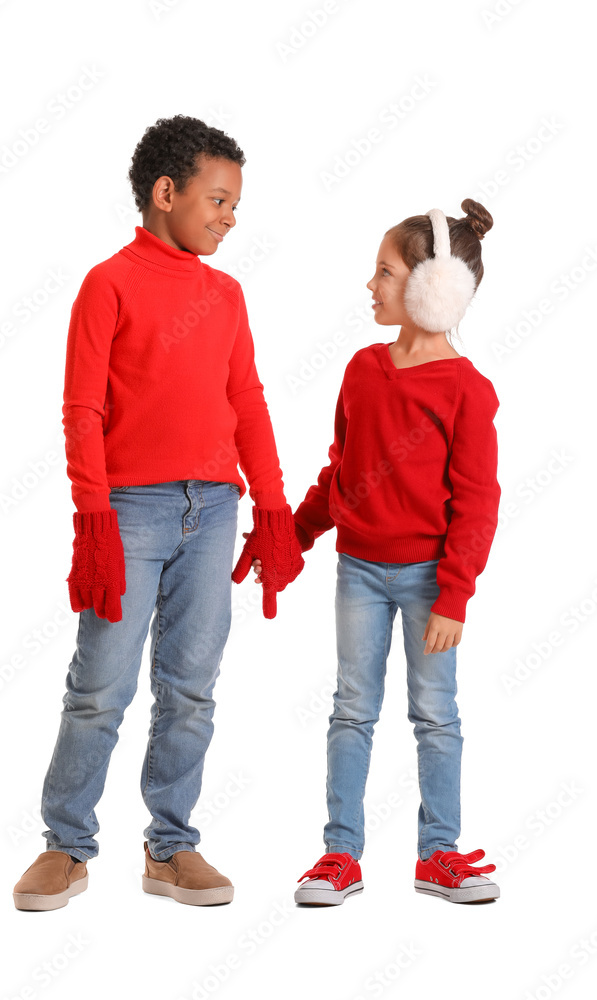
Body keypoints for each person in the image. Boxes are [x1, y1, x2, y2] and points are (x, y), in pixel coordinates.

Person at [12, 114, 303, 911]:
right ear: (164, 193)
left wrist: (272, 507)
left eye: (234, 204)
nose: (229, 216)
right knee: (100, 685)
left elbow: (246, 400)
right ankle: (65, 845)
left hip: (211, 511)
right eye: (217, 199)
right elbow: (82, 410)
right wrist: (93, 519)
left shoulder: (227, 294)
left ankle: (169, 846)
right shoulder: (107, 284)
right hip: (130, 512)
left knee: (192, 687)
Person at [251, 201, 501, 905]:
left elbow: (477, 503)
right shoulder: (362, 369)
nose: (370, 285)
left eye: (384, 273)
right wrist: (293, 536)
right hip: (358, 571)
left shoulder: (465, 391)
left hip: (429, 579)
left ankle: (438, 853)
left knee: (435, 714)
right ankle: (339, 855)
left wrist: (453, 595)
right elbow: (341, 473)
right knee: (351, 709)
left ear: (432, 287)